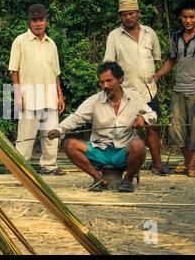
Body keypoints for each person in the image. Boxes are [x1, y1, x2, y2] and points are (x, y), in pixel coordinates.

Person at [48, 62, 157, 192]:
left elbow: (152, 115)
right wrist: (59, 129)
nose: (105, 86)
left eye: (109, 81)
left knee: (139, 146)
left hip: (124, 150)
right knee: (69, 145)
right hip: (99, 150)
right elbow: (76, 117)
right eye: (102, 82)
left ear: (120, 79)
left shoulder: (135, 98)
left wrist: (143, 119)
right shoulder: (94, 100)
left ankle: (127, 180)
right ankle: (98, 179)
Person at [103, 0, 166, 175]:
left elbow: (155, 58)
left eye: (131, 13)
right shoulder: (114, 36)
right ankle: (127, 167)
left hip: (148, 91)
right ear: (120, 17)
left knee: (152, 127)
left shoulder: (149, 33)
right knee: (125, 131)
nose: (128, 18)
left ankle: (157, 166)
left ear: (138, 13)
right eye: (124, 15)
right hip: (126, 93)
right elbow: (109, 65)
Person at [154, 0, 195, 178]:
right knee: (177, 128)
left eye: (192, 17)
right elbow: (171, 60)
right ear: (180, 17)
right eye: (185, 17)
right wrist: (157, 76)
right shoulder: (175, 37)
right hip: (178, 89)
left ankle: (192, 165)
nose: (188, 20)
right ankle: (188, 163)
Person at [9, 4, 66, 175]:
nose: (38, 24)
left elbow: (56, 72)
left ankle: (49, 166)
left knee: (50, 134)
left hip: (49, 96)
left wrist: (60, 95)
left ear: (46, 21)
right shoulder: (20, 41)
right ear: (29, 22)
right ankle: (21, 167)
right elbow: (14, 70)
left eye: (41, 20)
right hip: (29, 96)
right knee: (25, 136)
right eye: (34, 20)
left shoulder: (51, 44)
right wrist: (18, 95)